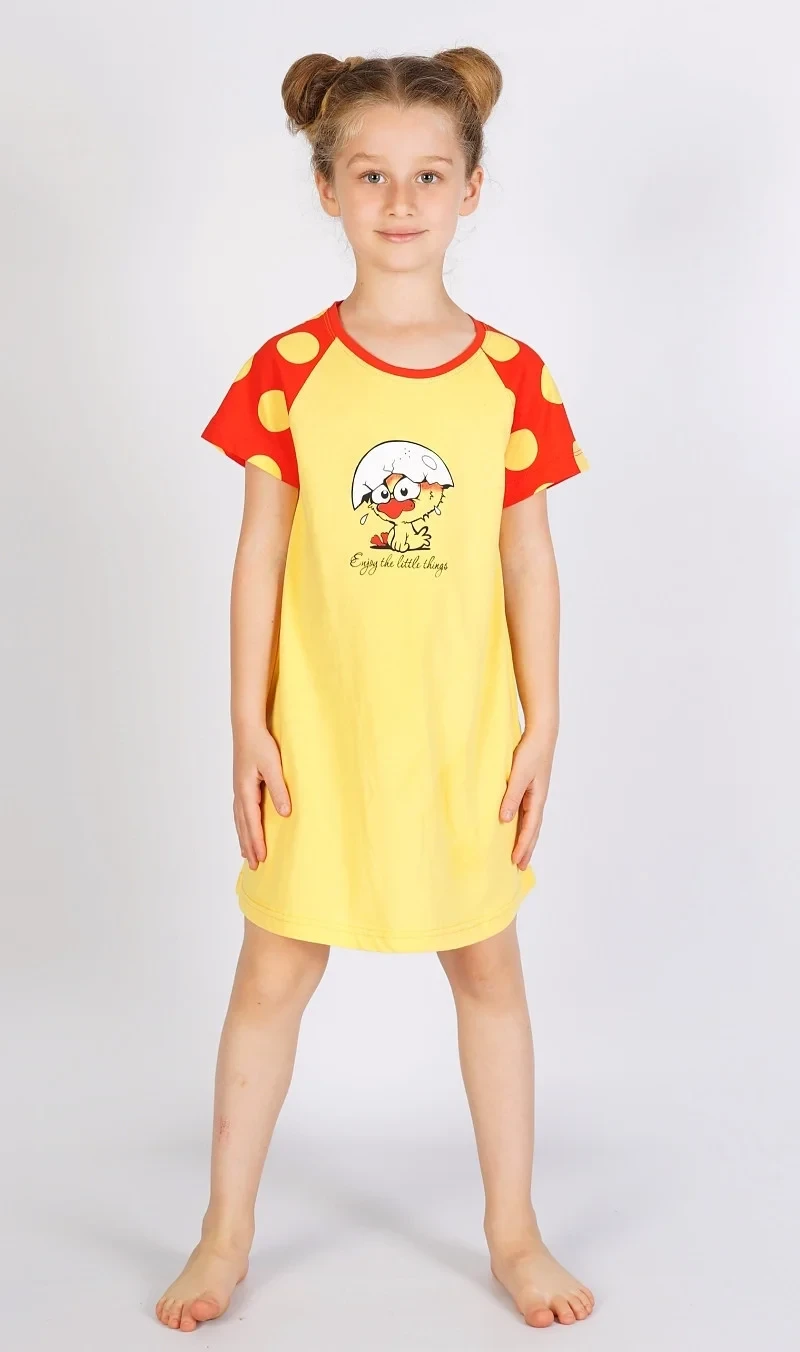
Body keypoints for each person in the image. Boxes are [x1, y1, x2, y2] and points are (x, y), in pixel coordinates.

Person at [156, 46, 594, 1333]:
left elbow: (527, 556)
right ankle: (223, 1230)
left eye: (427, 175)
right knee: (272, 971)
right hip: (320, 740)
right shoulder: (289, 368)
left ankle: (513, 1229)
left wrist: (542, 723)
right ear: (326, 188)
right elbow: (258, 551)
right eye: (370, 175)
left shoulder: (510, 375)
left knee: (487, 970)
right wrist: (246, 723)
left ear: (470, 187)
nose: (400, 201)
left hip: (460, 742)